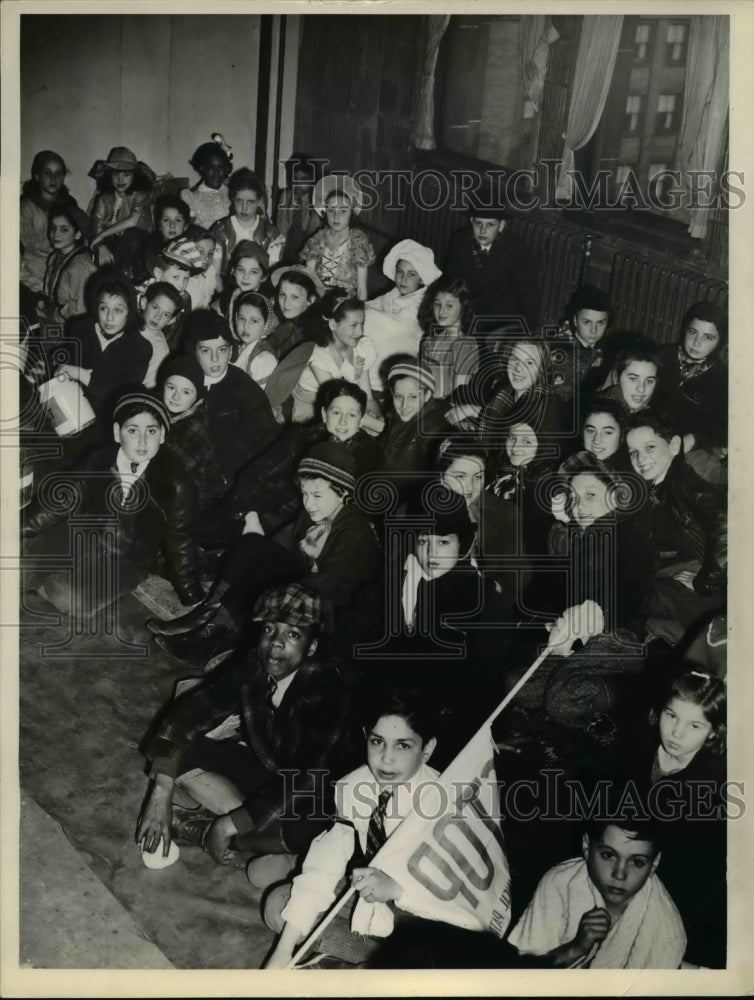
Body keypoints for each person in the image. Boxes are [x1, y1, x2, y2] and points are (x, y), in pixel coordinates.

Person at [137, 583, 360, 866]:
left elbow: (304, 778)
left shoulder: (329, 693)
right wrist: (161, 792)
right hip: (270, 771)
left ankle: (220, 830)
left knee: (306, 828)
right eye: (269, 629)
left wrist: (227, 825)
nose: (276, 642)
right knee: (165, 748)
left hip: (317, 796)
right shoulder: (257, 662)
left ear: (312, 646)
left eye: (292, 634)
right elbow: (190, 713)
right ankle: (256, 838)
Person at [150, 442, 382, 664]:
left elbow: (324, 584)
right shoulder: (317, 513)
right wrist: (252, 558)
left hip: (332, 609)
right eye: (304, 494)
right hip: (310, 585)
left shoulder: (355, 534)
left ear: (342, 493)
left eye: (317, 496)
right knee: (253, 545)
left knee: (265, 576)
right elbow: (277, 545)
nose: (309, 503)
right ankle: (205, 615)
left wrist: (262, 582)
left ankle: (219, 638)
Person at [262, 689, 444, 969]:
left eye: (403, 746)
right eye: (377, 742)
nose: (386, 759)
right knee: (279, 906)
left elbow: (460, 902)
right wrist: (282, 951)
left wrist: (400, 890)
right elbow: (328, 860)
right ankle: (364, 961)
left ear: (427, 749)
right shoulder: (354, 785)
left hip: (426, 918)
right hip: (373, 901)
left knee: (432, 962)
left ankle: (363, 964)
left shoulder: (445, 800)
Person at [21, 391, 203, 615]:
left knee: (67, 596)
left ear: (163, 435)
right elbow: (61, 500)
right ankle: (48, 578)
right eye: (133, 430)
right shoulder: (100, 458)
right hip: (80, 536)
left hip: (123, 560)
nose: (143, 441)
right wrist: (17, 528)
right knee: (19, 565)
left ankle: (59, 584)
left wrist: (191, 595)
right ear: (118, 433)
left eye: (152, 431)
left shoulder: (176, 483)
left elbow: (181, 541)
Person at [621, 669, 727, 968]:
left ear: (713, 732)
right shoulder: (639, 747)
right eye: (671, 716)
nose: (676, 733)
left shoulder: (713, 781)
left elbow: (697, 862)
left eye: (695, 725)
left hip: (684, 874)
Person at [508, 818, 686, 968]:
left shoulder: (667, 931)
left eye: (637, 862)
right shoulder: (560, 883)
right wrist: (575, 949)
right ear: (586, 847)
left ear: (654, 864)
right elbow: (519, 973)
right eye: (608, 855)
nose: (619, 874)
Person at [625, 410, 726, 638]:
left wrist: (706, 581)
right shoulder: (658, 487)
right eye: (634, 452)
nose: (641, 459)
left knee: (635, 595)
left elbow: (727, 524)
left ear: (673, 446)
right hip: (682, 572)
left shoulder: (683, 481)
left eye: (650, 447)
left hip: (713, 587)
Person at [183, 309, 280, 483]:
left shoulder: (244, 388)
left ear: (230, 350)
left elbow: (266, 443)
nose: (215, 359)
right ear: (194, 351)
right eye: (205, 351)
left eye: (222, 349)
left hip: (230, 477)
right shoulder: (184, 379)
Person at [437, 435, 528, 599]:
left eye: (478, 477)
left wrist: (488, 589)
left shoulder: (504, 512)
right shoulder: (415, 511)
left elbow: (519, 574)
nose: (470, 487)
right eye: (460, 476)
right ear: (441, 475)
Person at [54, 277, 151, 416]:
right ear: (96, 307)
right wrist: (51, 365)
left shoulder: (140, 348)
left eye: (118, 310)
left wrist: (82, 375)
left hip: (106, 420)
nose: (109, 318)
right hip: (69, 408)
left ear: (129, 311)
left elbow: (122, 397)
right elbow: (66, 363)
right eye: (104, 308)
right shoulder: (80, 327)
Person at [656, 301, 728, 483]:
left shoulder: (721, 378)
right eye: (692, 332)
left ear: (720, 342)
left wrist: (694, 439)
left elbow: (718, 428)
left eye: (708, 337)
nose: (697, 342)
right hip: (651, 432)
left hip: (690, 446)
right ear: (683, 330)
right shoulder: (660, 357)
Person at [443, 203, 539, 334]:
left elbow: (529, 298)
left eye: (490, 224)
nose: (482, 231)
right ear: (471, 221)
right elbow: (450, 284)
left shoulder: (516, 250)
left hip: (501, 323)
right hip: (467, 317)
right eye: (478, 223)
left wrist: (518, 333)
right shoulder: (460, 241)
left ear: (501, 226)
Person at [364, 239, 442, 391]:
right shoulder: (393, 293)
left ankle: (375, 381)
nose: (403, 279)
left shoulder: (422, 301)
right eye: (400, 272)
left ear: (421, 278)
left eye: (411, 274)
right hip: (385, 341)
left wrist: (369, 315)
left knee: (368, 320)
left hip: (402, 348)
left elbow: (401, 326)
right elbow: (373, 304)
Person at [290, 289, 378, 423]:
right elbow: (337, 404)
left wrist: (379, 417)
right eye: (353, 325)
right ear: (333, 324)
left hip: (347, 406)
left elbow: (369, 398)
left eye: (362, 324)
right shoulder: (318, 356)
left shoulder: (362, 349)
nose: (360, 332)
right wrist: (375, 425)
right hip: (313, 412)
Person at [159, 354, 228, 512]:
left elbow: (166, 470)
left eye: (186, 392)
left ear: (198, 397)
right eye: (171, 387)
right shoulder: (161, 409)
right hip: (167, 489)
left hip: (192, 503)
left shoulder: (197, 428)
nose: (175, 397)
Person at [377, 360, 451, 505]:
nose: (404, 405)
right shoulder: (403, 416)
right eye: (398, 397)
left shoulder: (433, 429)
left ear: (428, 394)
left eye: (413, 397)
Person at [20, 150, 89, 294]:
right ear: (37, 176)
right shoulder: (26, 207)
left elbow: (81, 235)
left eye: (58, 173)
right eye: (48, 173)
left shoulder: (69, 203)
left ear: (63, 177)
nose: (53, 178)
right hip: (34, 269)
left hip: (64, 262)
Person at [301, 175, 375, 300]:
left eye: (343, 211)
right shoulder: (316, 240)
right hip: (318, 300)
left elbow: (362, 289)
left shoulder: (359, 242)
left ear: (352, 213)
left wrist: (360, 312)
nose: (336, 216)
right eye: (331, 210)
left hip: (345, 304)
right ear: (325, 212)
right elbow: (308, 280)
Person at [88, 146, 155, 276]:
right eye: (115, 174)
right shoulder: (103, 198)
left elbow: (132, 221)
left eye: (126, 174)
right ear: (109, 175)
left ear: (135, 176)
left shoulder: (139, 195)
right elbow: (97, 227)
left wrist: (101, 236)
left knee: (130, 237)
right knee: (103, 255)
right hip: (113, 243)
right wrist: (101, 246)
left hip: (140, 246)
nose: (120, 179)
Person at [210, 167, 284, 278]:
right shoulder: (221, 230)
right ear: (233, 199)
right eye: (239, 201)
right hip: (226, 288)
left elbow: (271, 275)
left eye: (250, 202)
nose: (244, 208)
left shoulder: (272, 233)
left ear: (259, 202)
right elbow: (215, 274)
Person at [417, 276, 479, 400]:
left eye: (449, 306)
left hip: (443, 409)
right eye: (437, 304)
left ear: (464, 306)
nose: (441, 311)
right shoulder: (429, 340)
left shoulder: (465, 346)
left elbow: (459, 396)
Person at [550, 285, 611, 404]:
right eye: (587, 322)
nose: (594, 330)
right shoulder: (559, 349)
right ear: (575, 321)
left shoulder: (607, 350)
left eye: (601, 323)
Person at [37, 204, 96, 325]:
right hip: (55, 317)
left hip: (75, 326)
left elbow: (79, 309)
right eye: (53, 228)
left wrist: (49, 315)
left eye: (64, 230)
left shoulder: (80, 266)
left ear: (77, 234)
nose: (56, 234)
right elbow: (49, 293)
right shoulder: (54, 257)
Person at [592, 334, 660, 418]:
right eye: (633, 379)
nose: (641, 389)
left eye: (649, 381)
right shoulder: (604, 413)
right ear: (616, 377)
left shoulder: (644, 412)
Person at [131, 194, 191, 285]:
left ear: (186, 226)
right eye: (166, 220)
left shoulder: (191, 249)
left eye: (177, 220)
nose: (172, 226)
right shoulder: (149, 250)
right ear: (159, 225)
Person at [275, 152, 324, 262]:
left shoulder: (317, 202)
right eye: (295, 178)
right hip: (289, 249)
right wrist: (278, 255)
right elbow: (281, 228)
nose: (297, 183)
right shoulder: (286, 196)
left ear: (313, 180)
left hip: (310, 253)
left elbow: (313, 237)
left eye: (303, 180)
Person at [213, 240, 270, 326]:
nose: (245, 277)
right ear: (234, 271)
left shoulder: (267, 304)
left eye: (253, 272)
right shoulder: (229, 296)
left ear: (263, 277)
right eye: (241, 270)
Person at [138, 281, 183, 389]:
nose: (158, 317)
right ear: (144, 303)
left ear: (171, 320)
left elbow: (148, 387)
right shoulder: (125, 322)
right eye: (155, 308)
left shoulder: (160, 349)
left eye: (166, 314)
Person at [180, 140, 232, 231]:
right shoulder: (191, 197)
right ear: (202, 168)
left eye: (221, 168)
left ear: (227, 169)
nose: (216, 173)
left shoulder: (232, 194)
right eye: (211, 167)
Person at [230, 290, 278, 387]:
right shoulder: (236, 348)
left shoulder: (264, 359)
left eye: (254, 321)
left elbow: (257, 399)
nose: (245, 326)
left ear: (266, 324)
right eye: (241, 318)